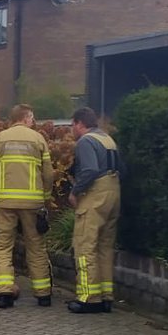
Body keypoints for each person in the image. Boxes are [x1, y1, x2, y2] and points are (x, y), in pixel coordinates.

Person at [0, 103, 54, 309]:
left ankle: (4, 293)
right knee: (36, 247)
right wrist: (45, 198)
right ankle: (43, 294)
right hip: (33, 203)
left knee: (3, 246)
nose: (33, 121)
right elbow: (48, 174)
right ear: (26, 117)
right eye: (32, 118)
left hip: (5, 203)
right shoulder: (38, 139)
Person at [66, 106, 123, 314]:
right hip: (113, 193)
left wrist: (75, 191)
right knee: (104, 246)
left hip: (96, 195)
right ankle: (106, 296)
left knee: (85, 244)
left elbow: (89, 170)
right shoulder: (108, 139)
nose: (72, 130)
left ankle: (88, 297)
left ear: (80, 124)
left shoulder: (86, 141)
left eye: (73, 125)